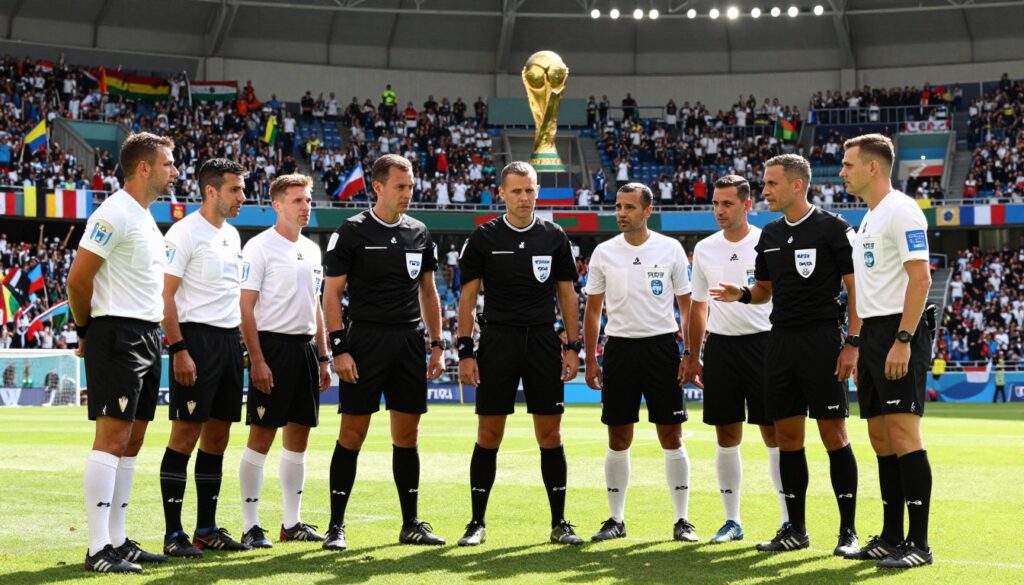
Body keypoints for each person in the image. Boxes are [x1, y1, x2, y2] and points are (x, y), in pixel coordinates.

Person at [711, 154, 861, 556]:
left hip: (823, 341)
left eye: (771, 184)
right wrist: (740, 294)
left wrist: (853, 343)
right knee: (788, 439)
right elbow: (763, 290)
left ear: (797, 185)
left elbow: (856, 289)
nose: (764, 191)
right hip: (779, 343)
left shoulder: (834, 229)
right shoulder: (771, 235)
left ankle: (848, 532)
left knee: (834, 435)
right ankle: (795, 529)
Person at [321, 154, 447, 551]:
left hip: (409, 343)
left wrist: (438, 344)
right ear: (377, 187)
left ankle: (411, 523)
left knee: (407, 437)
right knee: (353, 433)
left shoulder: (419, 232)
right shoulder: (352, 231)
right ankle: (336, 527)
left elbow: (428, 292)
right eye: (400, 186)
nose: (408, 193)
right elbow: (331, 294)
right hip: (365, 342)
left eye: (410, 186)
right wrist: (339, 349)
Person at [68, 132, 179, 573]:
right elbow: (79, 279)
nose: (174, 171)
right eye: (168, 163)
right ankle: (98, 549)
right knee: (111, 439)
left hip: (147, 337)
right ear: (145, 167)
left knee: (131, 442)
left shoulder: (145, 216)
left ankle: (118, 539)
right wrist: (85, 330)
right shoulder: (114, 211)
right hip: (117, 333)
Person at [456, 161, 583, 547]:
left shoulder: (554, 236)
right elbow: (467, 298)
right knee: (489, 433)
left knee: (551, 434)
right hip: (497, 341)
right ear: (502, 194)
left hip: (543, 341)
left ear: (537, 191)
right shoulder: (483, 238)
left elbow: (567, 295)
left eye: (530, 190)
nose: (524, 197)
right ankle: (476, 523)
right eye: (516, 191)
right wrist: (465, 351)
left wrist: (573, 346)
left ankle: (560, 522)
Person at [583, 183, 698, 543]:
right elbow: (593, 309)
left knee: (671, 435)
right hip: (618, 350)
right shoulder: (603, 252)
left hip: (662, 349)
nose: (621, 213)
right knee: (618, 436)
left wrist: (690, 353)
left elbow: (687, 306)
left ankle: (682, 520)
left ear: (647, 211)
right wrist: (591, 359)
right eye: (618, 206)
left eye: (629, 207)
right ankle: (615, 519)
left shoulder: (670, 249)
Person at [840, 133, 935, 568]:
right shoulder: (868, 219)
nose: (842, 171)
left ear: (872, 167)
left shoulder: (901, 210)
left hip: (899, 332)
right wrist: (859, 343)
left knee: (903, 434)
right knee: (880, 438)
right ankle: (892, 535)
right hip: (874, 336)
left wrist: (903, 339)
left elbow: (921, 279)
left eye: (848, 164)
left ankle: (918, 544)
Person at [683, 175, 789, 544]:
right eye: (715, 203)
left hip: (765, 345)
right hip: (722, 348)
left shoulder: (768, 240)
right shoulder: (706, 248)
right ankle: (732, 521)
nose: (719, 210)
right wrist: (693, 354)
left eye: (727, 204)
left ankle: (789, 520)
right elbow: (697, 306)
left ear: (747, 205)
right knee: (726, 434)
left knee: (773, 432)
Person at [158, 158, 250, 558]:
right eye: (235, 190)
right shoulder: (183, 233)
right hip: (196, 341)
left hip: (230, 344)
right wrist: (178, 348)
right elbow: (165, 296)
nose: (242, 197)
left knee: (218, 437)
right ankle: (173, 534)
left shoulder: (232, 235)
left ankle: (206, 529)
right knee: (185, 436)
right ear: (211, 191)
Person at [237, 174, 332, 549]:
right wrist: (256, 359)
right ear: (277, 204)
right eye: (297, 200)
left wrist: (323, 356)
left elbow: (317, 308)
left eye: (308, 200)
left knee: (299, 439)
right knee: (261, 437)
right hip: (271, 349)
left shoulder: (312, 250)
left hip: (306, 349)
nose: (305, 206)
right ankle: (250, 525)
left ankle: (291, 523)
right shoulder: (258, 247)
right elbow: (245, 308)